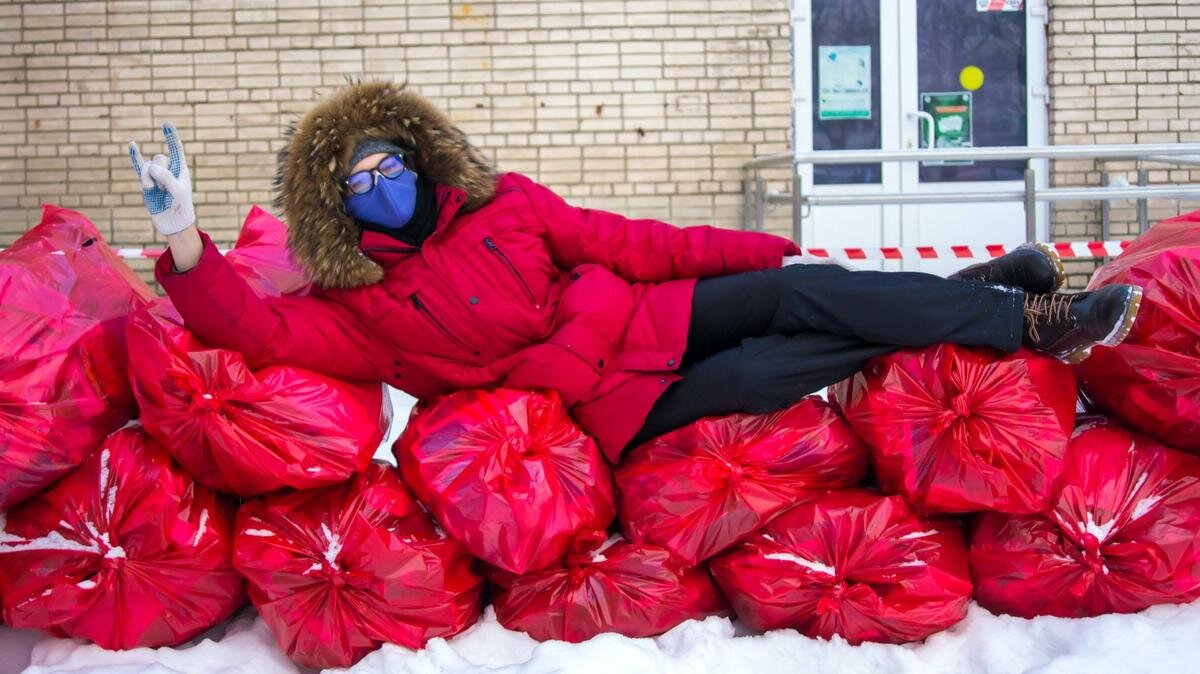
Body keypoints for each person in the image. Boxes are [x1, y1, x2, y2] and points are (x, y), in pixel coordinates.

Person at [128, 80, 1141, 461]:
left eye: (391, 161)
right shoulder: (361, 307)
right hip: (598, 410)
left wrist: (765, 248)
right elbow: (256, 330)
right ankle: (974, 297)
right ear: (336, 208)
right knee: (773, 366)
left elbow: (633, 246)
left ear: (421, 155)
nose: (384, 183)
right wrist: (183, 238)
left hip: (644, 317)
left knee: (792, 290)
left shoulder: (507, 204)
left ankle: (1020, 315)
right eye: (360, 182)